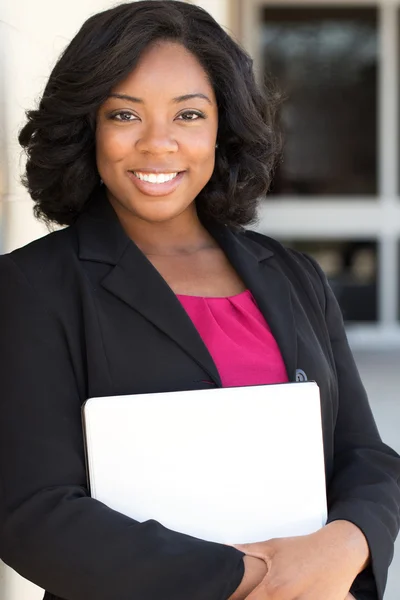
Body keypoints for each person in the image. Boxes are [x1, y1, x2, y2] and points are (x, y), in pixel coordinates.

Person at [0, 2, 399, 599]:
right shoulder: (33, 287)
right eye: (124, 114)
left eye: (188, 113)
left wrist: (346, 545)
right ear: (88, 127)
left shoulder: (294, 276)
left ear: (222, 127)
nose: (158, 144)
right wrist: (256, 579)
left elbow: (364, 454)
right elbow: (33, 511)